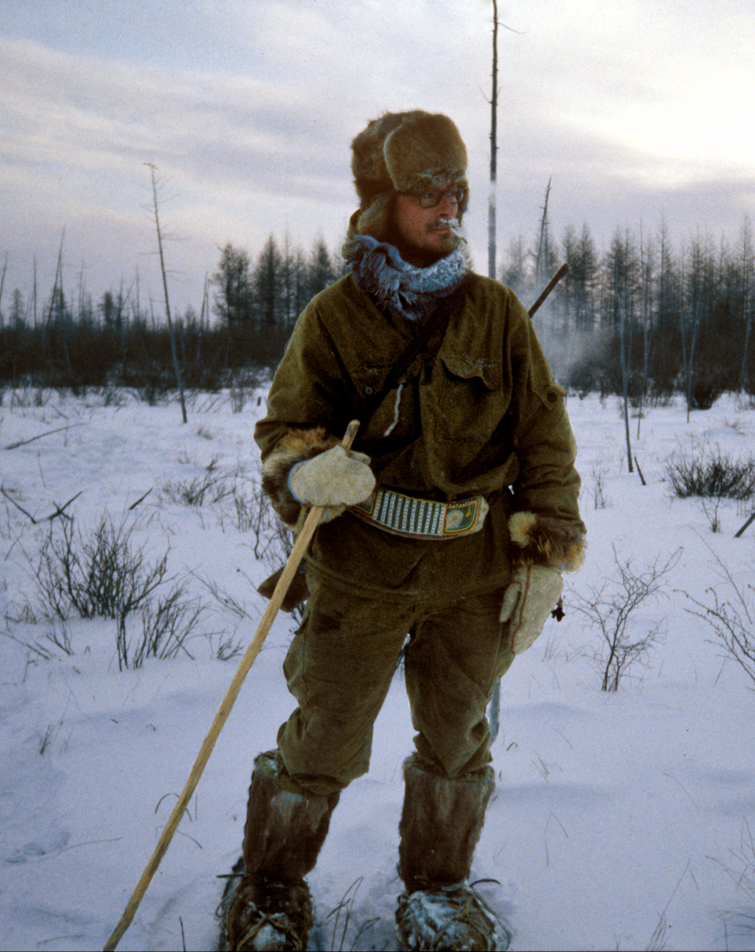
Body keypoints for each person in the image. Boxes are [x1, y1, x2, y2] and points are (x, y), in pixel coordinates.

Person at [220, 110, 585, 952]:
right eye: (427, 192)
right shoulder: (335, 317)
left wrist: (547, 553)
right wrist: (307, 472)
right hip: (360, 567)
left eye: (455, 190)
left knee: (458, 739)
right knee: (326, 736)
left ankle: (438, 893)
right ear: (384, 205)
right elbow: (283, 432)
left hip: (473, 568)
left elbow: (544, 433)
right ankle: (270, 892)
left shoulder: (494, 313)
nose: (446, 205)